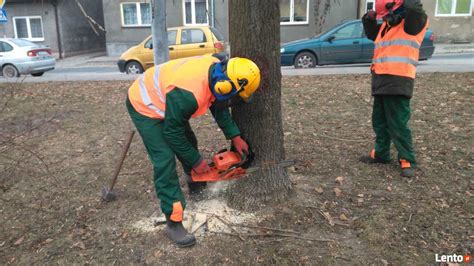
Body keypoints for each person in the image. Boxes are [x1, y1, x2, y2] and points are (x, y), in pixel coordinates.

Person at [126, 54, 260, 247]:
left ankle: (195, 181)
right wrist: (197, 161)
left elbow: (219, 105)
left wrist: (235, 136)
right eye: (235, 96)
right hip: (145, 105)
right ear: (226, 86)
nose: (234, 100)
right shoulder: (190, 94)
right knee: (164, 160)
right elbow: (172, 133)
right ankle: (174, 222)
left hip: (168, 99)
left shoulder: (218, 73)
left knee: (189, 140)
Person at [360, 0, 428, 178]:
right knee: (379, 122)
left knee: (398, 123)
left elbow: (414, 8)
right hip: (381, 80)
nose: (385, 18)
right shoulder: (386, 27)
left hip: (399, 80)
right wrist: (369, 18)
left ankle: (407, 159)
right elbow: (371, 34)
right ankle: (381, 154)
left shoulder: (413, 23)